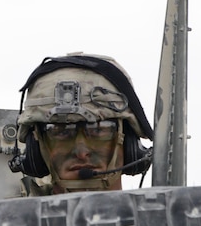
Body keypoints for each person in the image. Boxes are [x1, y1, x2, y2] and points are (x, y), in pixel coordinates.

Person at [10, 53, 154, 195]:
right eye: (61, 132)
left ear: (128, 141)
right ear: (36, 148)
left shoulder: (166, 216)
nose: (81, 153)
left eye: (98, 130)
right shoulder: (0, 217)